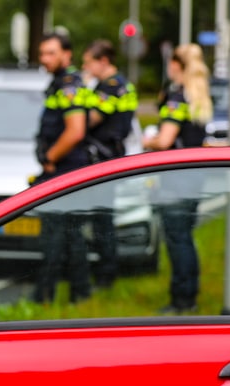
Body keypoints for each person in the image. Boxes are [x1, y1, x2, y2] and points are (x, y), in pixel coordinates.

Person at [143, 43, 212, 314]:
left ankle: (180, 300)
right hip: (195, 176)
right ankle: (190, 296)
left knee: (177, 239)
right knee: (186, 238)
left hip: (175, 178)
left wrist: (149, 141)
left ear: (176, 65)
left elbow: (166, 140)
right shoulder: (198, 96)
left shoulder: (176, 97)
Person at [32, 31, 94, 304]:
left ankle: (46, 295)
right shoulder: (59, 83)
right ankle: (79, 294)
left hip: (64, 170)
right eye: (42, 53)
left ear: (67, 54)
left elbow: (75, 131)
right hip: (65, 168)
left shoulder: (68, 84)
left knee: (56, 236)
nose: (44, 59)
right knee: (71, 235)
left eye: (51, 53)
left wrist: (51, 159)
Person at [81, 39, 138, 288]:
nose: (86, 68)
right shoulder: (124, 85)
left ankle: (106, 274)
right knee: (103, 215)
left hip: (103, 158)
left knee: (102, 218)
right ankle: (106, 270)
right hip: (112, 154)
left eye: (88, 63)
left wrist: (82, 91)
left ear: (103, 61)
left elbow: (89, 120)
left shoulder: (109, 87)